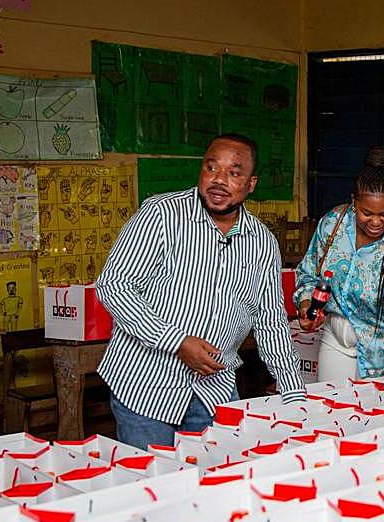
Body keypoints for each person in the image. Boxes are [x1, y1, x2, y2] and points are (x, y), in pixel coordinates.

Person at [96, 133, 306, 450]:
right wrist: (176, 341)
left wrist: (294, 394)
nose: (219, 180)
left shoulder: (261, 241)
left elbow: (269, 319)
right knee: (152, 487)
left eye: (234, 173)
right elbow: (114, 286)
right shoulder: (161, 215)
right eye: (211, 168)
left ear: (251, 184)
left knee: (214, 486)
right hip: (145, 386)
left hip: (214, 390)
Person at [294, 146, 384, 404]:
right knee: (330, 410)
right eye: (367, 213)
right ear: (354, 201)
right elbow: (308, 274)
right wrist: (306, 304)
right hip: (337, 337)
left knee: (375, 426)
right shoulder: (332, 224)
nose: (375, 222)